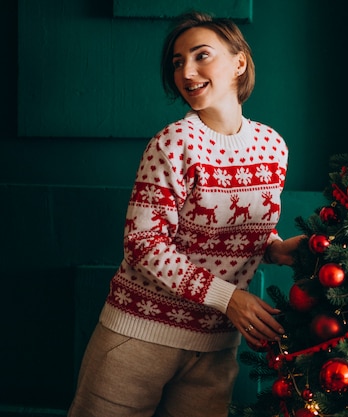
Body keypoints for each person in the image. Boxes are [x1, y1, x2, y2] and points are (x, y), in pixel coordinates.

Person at [68, 11, 303, 417]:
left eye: (201, 55)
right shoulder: (174, 142)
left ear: (239, 62)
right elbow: (143, 244)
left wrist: (278, 249)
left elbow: (242, 231)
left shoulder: (272, 146)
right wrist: (228, 298)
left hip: (216, 345)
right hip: (140, 335)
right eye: (178, 62)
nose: (186, 72)